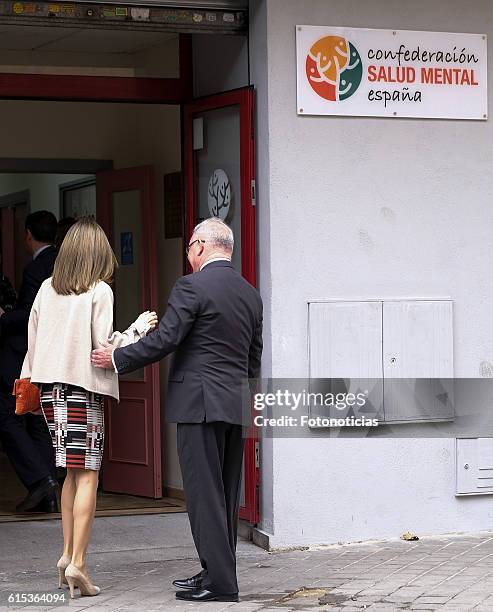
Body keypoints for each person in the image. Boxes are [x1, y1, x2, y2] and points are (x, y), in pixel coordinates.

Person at [92, 217, 263, 603]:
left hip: (198, 405)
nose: (188, 255)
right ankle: (216, 571)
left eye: (189, 248)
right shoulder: (249, 293)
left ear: (200, 245)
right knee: (225, 493)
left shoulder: (192, 286)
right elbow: (255, 358)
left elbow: (166, 339)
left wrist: (117, 358)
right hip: (236, 405)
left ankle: (220, 584)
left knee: (203, 495)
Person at [20, 217, 158, 598]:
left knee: (69, 474)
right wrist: (137, 330)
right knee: (89, 476)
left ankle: (66, 555)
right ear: (99, 253)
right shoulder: (99, 291)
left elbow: (32, 346)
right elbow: (103, 350)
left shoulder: (47, 288)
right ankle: (78, 562)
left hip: (49, 391)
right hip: (82, 390)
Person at [0, 211, 59, 513]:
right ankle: (46, 490)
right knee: (39, 420)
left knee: (6, 416)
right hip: (53, 356)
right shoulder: (62, 262)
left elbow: (29, 314)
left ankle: (41, 481)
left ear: (28, 235)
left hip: (27, 355)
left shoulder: (37, 268)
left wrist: (3, 317)